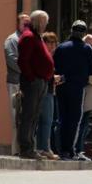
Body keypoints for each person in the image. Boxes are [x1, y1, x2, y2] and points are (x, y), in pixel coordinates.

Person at [53, 20, 92, 160]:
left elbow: (53, 66)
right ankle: (69, 150)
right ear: (83, 33)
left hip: (61, 87)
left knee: (61, 119)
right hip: (77, 88)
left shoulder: (61, 47)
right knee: (74, 120)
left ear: (71, 31)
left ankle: (59, 150)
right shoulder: (86, 49)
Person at [17, 10, 54, 160]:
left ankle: (30, 147)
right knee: (28, 115)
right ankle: (26, 149)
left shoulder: (35, 36)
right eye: (44, 23)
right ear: (39, 22)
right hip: (33, 82)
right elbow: (23, 61)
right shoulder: (29, 37)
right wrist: (31, 77)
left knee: (34, 116)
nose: (45, 26)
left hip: (40, 81)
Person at [3, 13, 30, 156]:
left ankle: (25, 149)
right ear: (18, 24)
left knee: (26, 118)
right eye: (24, 23)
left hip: (28, 84)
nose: (26, 26)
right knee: (16, 119)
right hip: (16, 83)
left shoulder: (29, 40)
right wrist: (29, 70)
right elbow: (12, 60)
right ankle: (15, 152)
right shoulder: (12, 40)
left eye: (28, 23)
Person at [74, 34, 92, 161]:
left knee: (85, 123)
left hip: (90, 93)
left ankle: (79, 150)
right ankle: (76, 150)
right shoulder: (80, 56)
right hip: (82, 92)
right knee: (80, 123)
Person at [36, 32, 61, 160]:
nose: (52, 45)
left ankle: (40, 148)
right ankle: (45, 148)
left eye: (54, 43)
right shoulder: (45, 56)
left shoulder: (48, 56)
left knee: (43, 121)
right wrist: (54, 77)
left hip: (47, 90)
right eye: (49, 42)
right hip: (46, 91)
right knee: (46, 121)